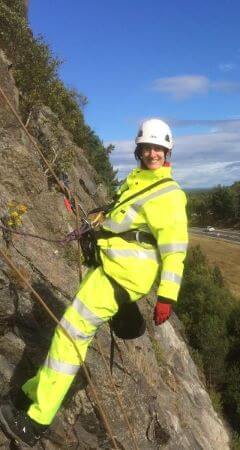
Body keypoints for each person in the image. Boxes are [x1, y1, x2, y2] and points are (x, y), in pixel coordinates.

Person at [0, 118, 189, 447]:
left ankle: (35, 421)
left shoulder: (169, 195)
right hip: (109, 269)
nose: (152, 153)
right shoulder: (138, 181)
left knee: (69, 337)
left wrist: (167, 295)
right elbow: (124, 222)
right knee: (67, 335)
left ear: (168, 151)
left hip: (122, 278)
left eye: (158, 148)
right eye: (147, 147)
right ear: (139, 150)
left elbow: (175, 249)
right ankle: (27, 396)